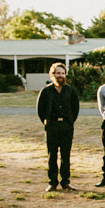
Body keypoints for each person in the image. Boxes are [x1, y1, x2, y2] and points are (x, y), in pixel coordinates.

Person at [35, 62, 80, 192]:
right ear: (52, 75)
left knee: (66, 155)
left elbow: (75, 108)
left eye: (62, 73)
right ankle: (52, 182)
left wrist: (70, 122)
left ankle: (65, 181)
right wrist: (47, 122)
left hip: (66, 126)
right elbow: (40, 109)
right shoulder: (46, 91)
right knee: (52, 155)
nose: (60, 75)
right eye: (57, 73)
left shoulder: (71, 90)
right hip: (52, 126)